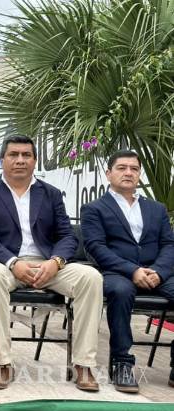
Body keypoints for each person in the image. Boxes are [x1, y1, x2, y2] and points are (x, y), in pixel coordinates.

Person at [0, 134, 103, 392]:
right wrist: (12, 262)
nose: (20, 160)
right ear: (3, 159)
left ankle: (83, 365)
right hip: (3, 263)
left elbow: (67, 236)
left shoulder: (50, 193)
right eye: (13, 155)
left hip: (46, 263)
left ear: (34, 160)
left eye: (26, 155)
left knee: (91, 278)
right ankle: (2, 363)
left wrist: (56, 262)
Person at [81, 150, 174, 393]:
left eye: (134, 168)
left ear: (139, 174)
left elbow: (169, 244)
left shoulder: (156, 209)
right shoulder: (94, 208)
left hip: (156, 271)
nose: (128, 172)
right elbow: (95, 247)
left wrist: (159, 272)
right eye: (122, 168)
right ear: (108, 173)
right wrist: (132, 271)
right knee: (121, 292)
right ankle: (122, 363)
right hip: (117, 272)